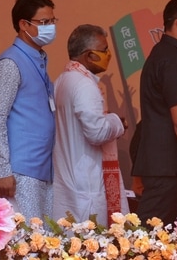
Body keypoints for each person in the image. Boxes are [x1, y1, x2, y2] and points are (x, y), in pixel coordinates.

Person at [131, 0, 177, 226]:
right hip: (168, 172)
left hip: (170, 170)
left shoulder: (164, 54)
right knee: (146, 244)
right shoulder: (172, 60)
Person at [0, 0, 57, 219]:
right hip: (18, 173)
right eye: (44, 22)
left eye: (52, 22)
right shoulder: (10, 63)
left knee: (44, 242)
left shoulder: (39, 60)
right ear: (23, 24)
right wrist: (3, 171)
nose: (50, 28)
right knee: (23, 246)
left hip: (42, 168)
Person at [52, 24, 129, 225]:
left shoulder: (62, 80)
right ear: (88, 56)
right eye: (103, 51)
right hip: (87, 182)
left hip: (71, 179)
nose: (108, 55)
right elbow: (96, 133)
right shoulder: (84, 85)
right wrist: (116, 122)